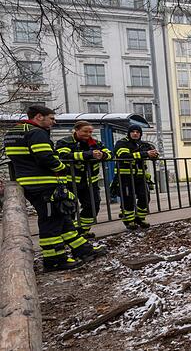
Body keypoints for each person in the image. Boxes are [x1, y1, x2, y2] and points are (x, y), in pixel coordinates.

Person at [3, 105, 106, 271]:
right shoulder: (36, 132)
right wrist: (61, 168)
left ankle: (83, 250)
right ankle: (55, 260)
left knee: (62, 218)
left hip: (31, 182)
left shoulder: (14, 132)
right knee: (50, 222)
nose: (54, 121)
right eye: (51, 118)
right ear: (38, 117)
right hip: (43, 184)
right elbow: (46, 157)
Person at [56, 121, 113, 238]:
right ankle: (70, 234)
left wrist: (102, 155)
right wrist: (88, 155)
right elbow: (62, 156)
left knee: (93, 206)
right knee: (70, 208)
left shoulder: (95, 143)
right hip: (70, 182)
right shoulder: (65, 142)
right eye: (85, 131)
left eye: (90, 131)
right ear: (76, 130)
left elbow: (110, 154)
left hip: (90, 182)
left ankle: (82, 231)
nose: (88, 134)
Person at [114, 124, 158, 230]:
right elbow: (123, 156)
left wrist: (154, 155)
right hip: (125, 176)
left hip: (140, 176)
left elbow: (154, 156)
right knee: (128, 199)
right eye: (132, 132)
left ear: (140, 134)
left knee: (145, 197)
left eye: (137, 132)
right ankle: (129, 221)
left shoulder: (144, 144)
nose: (135, 134)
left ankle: (140, 218)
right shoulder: (122, 143)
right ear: (129, 133)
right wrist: (144, 154)